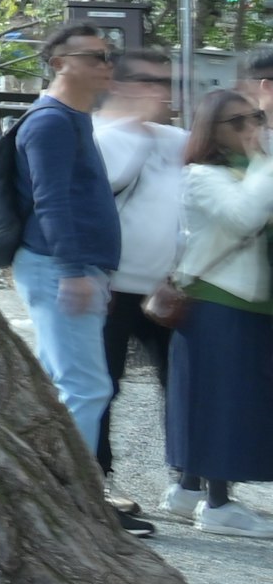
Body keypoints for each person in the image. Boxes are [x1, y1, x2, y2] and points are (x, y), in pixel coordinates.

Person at [12, 23, 125, 452]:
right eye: (95, 56)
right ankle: (77, 500)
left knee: (64, 385)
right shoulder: (51, 122)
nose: (106, 65)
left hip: (71, 269)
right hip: (56, 268)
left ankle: (57, 489)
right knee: (86, 388)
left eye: (109, 55)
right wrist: (73, 272)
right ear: (60, 64)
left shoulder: (73, 119)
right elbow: (51, 203)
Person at [167, 88, 273, 531]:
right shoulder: (203, 175)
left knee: (223, 399)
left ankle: (189, 489)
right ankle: (217, 505)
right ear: (212, 130)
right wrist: (264, 160)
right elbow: (244, 216)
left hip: (248, 302)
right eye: (238, 122)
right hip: (217, 300)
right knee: (219, 402)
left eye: (254, 118)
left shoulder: (251, 169)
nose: (251, 128)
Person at [96, 52, 190, 486]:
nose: (161, 91)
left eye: (167, 82)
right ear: (121, 85)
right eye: (151, 81)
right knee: (103, 386)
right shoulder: (96, 137)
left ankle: (188, 481)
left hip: (166, 287)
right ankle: (102, 482)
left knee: (184, 386)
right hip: (109, 286)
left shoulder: (176, 140)